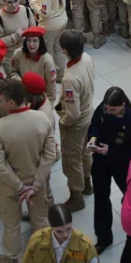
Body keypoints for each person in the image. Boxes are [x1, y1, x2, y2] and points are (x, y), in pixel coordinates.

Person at [0, 78, 58, 263]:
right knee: (41, 219)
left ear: (11, 102)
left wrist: (20, 187)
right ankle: (45, 257)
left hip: (11, 188)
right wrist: (35, 184)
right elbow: (49, 155)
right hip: (38, 184)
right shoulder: (42, 119)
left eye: (0, 100)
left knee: (11, 224)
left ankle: (12, 261)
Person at [87, 87, 131, 253]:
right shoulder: (103, 108)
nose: (109, 111)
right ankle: (103, 239)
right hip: (100, 161)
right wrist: (93, 138)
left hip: (121, 165)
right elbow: (94, 125)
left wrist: (110, 151)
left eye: (113, 109)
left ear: (122, 105)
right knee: (101, 199)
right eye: (107, 108)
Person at [58, 31, 95, 211]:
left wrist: (63, 123)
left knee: (72, 159)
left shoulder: (70, 78)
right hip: (89, 113)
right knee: (85, 151)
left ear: (65, 50)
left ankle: (76, 196)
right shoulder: (86, 58)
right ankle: (87, 183)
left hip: (76, 122)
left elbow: (72, 113)